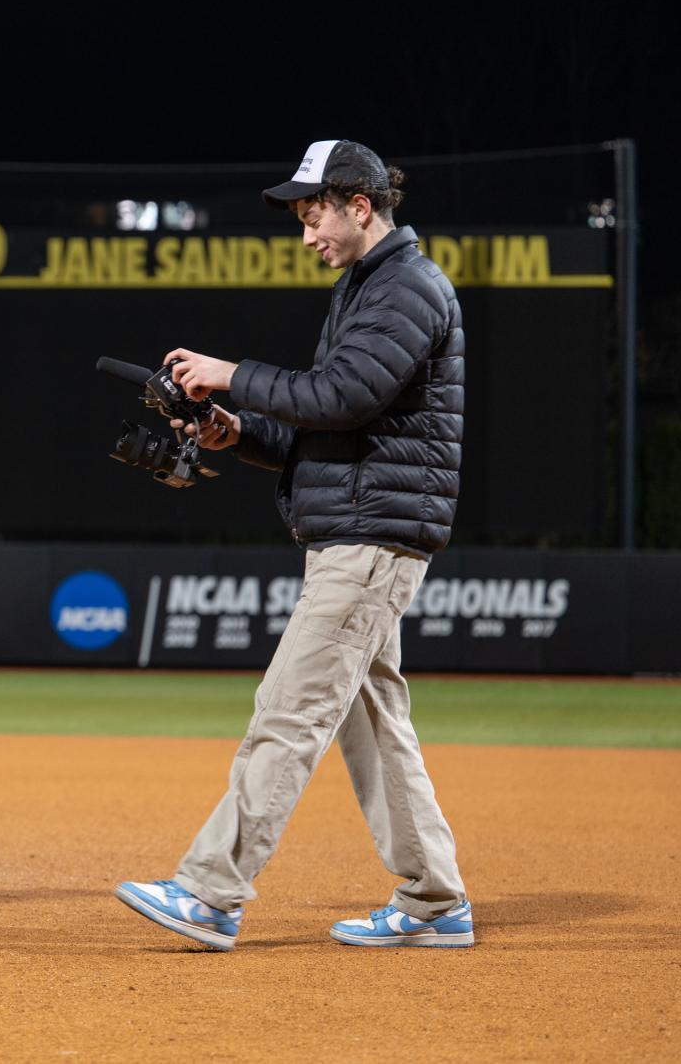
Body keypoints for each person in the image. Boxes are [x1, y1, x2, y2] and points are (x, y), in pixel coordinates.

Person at [115, 139, 474, 951]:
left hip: (371, 540)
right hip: (360, 529)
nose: (307, 232)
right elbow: (329, 422)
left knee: (288, 711)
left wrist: (229, 372)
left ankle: (210, 893)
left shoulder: (407, 287)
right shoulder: (368, 287)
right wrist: (236, 429)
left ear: (360, 205)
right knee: (374, 726)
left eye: (314, 214)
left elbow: (343, 396)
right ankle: (433, 901)